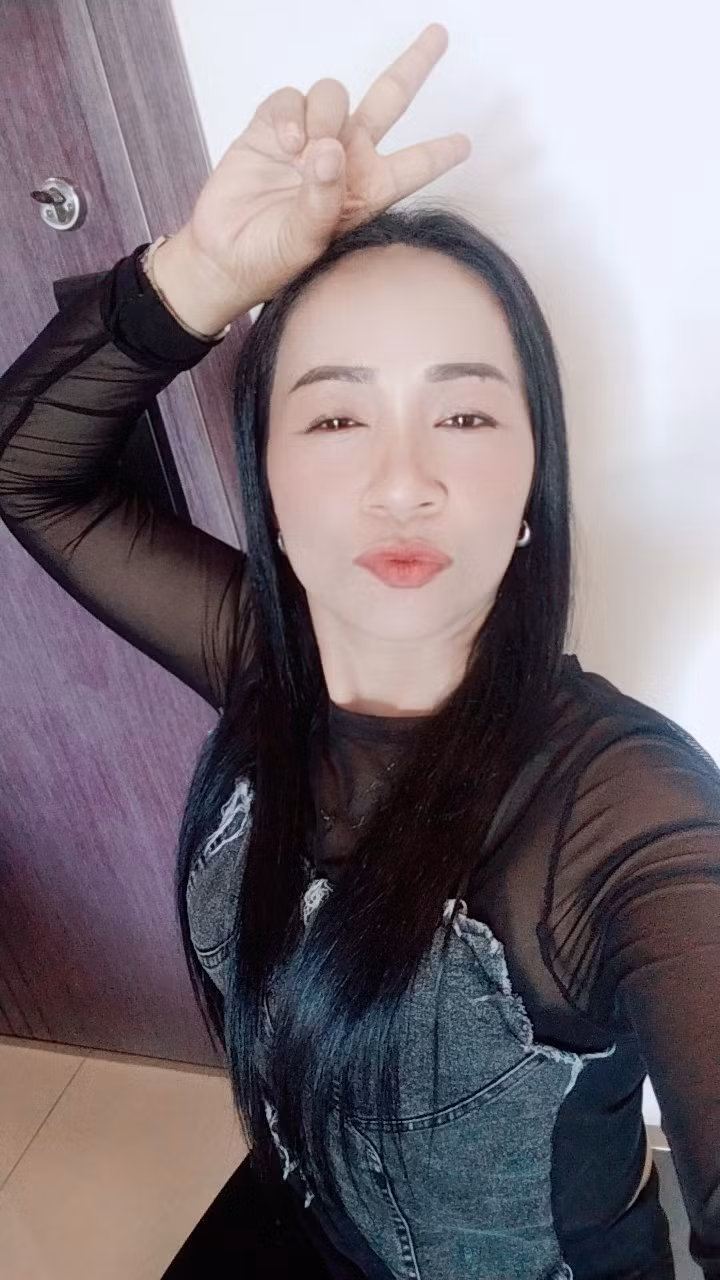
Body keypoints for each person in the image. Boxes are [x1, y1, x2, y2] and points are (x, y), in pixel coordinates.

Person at [0, 21, 718, 1280]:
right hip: (304, 1220)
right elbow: (29, 468)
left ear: (533, 481)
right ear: (268, 485)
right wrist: (199, 271)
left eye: (464, 413)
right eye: (336, 416)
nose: (402, 481)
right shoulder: (262, 665)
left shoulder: (622, 814)